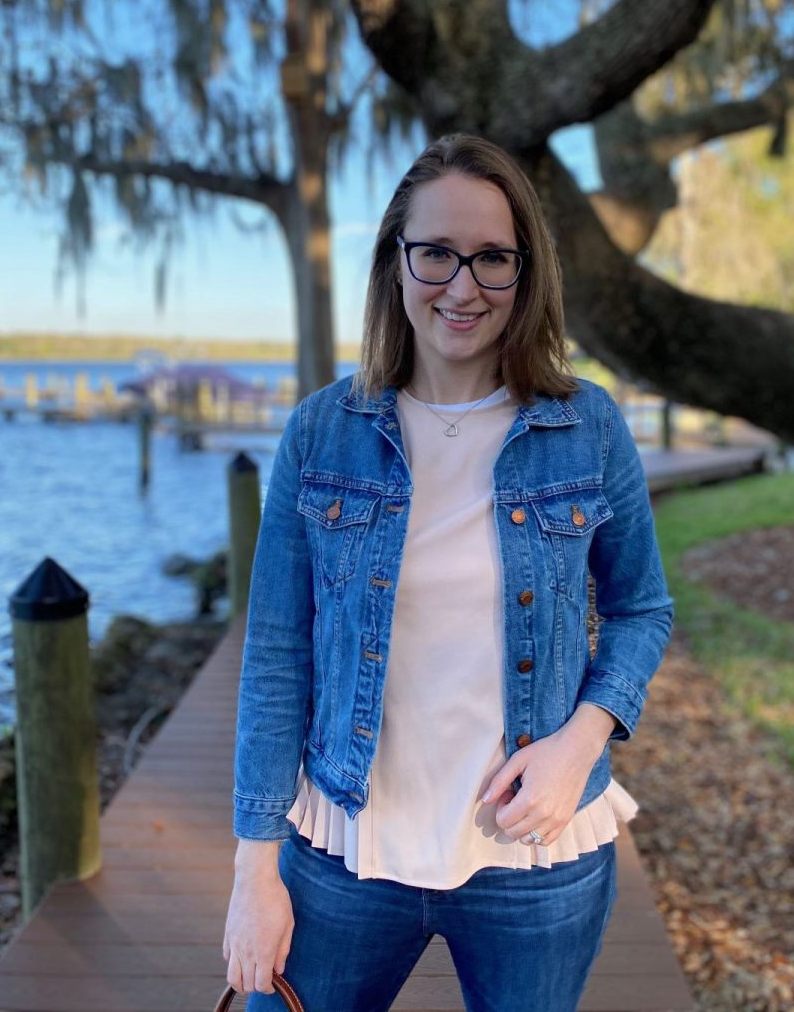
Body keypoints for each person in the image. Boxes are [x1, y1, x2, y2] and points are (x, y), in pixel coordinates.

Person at [223, 133, 674, 1011]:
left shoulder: (588, 427)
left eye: (493, 258)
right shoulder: (321, 433)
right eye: (436, 253)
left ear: (525, 272)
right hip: (345, 846)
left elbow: (641, 610)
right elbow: (278, 650)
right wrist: (253, 866)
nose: (463, 286)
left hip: (537, 863)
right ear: (396, 259)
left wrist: (578, 743)